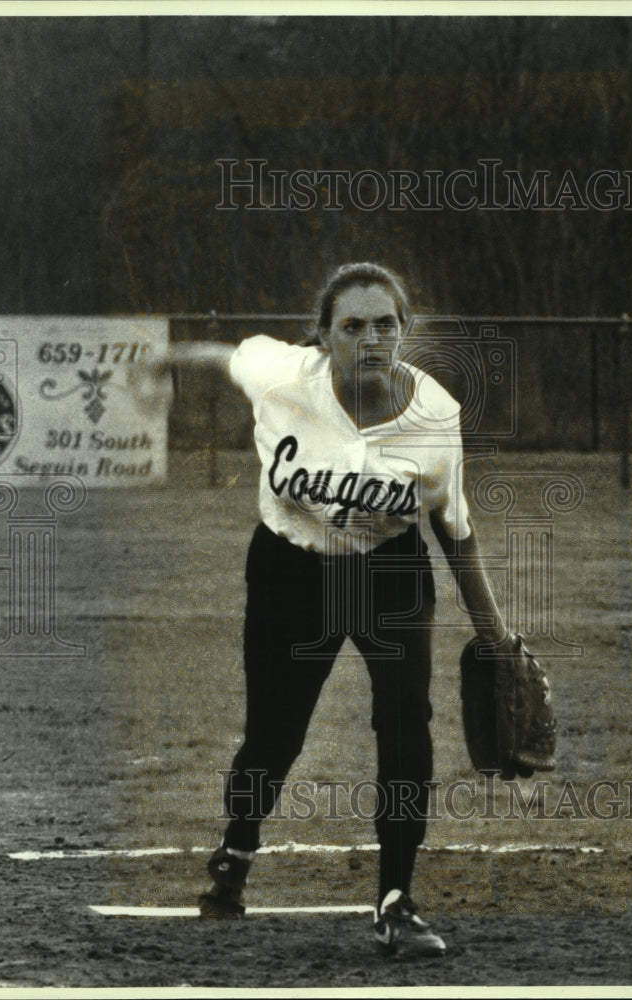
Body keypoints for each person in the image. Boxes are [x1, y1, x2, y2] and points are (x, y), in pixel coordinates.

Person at [161, 263, 511, 957]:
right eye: (351, 325)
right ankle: (236, 850)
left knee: (406, 720)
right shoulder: (283, 374)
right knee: (274, 734)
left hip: (388, 572)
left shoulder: (434, 414)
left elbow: (454, 528)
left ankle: (394, 899)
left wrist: (493, 633)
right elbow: (222, 355)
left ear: (404, 332)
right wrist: (163, 359)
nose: (370, 337)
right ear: (322, 335)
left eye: (385, 323)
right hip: (292, 571)